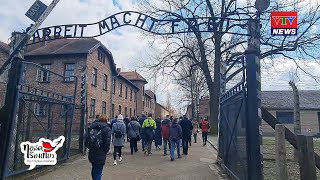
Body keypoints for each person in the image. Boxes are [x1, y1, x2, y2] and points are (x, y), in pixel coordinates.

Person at [86, 114, 111, 180]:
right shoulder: (107, 129)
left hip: (92, 151)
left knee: (94, 167)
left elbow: (86, 139)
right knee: (99, 170)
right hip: (101, 152)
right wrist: (106, 150)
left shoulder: (91, 127)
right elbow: (107, 142)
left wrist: (89, 147)